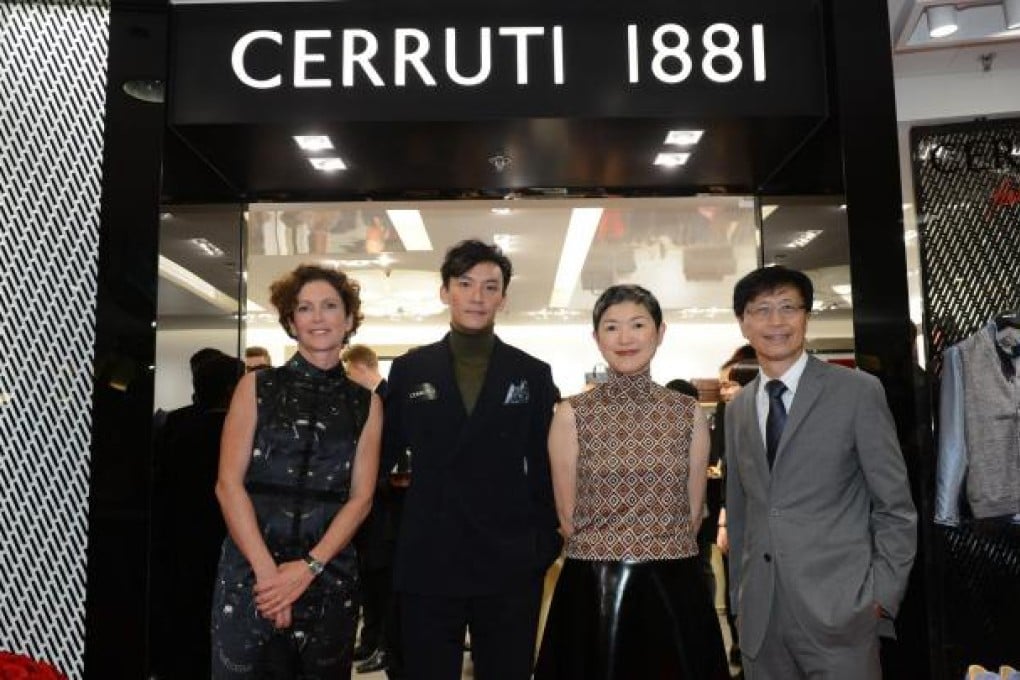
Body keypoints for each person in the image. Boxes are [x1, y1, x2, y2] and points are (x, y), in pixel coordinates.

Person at [725, 266, 917, 679]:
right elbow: (741, 515)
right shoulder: (737, 408)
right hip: (762, 619)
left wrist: (881, 596)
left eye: (788, 307)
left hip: (842, 614)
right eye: (761, 310)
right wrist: (739, 600)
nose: (776, 322)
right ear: (743, 323)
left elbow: (895, 507)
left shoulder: (857, 391)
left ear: (806, 317)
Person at [381, 239, 561, 680]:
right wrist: (391, 539)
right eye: (465, 284)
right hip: (429, 553)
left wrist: (543, 543)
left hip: (508, 557)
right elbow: (381, 458)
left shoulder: (532, 373)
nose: (477, 296)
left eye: (490, 286)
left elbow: (547, 467)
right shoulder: (410, 370)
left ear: (503, 297)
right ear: (445, 292)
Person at [535, 284, 729, 680]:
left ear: (660, 332)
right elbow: (567, 515)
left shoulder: (687, 413)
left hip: (673, 584)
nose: (625, 338)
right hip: (595, 586)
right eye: (611, 327)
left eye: (638, 325)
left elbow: (693, 512)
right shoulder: (572, 414)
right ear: (596, 338)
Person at [211, 264, 382, 678]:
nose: (318, 317)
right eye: (305, 308)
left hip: (328, 576)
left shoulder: (367, 404)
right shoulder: (255, 387)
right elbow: (228, 485)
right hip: (251, 576)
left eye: (330, 306)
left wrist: (308, 569)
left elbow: (361, 498)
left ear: (349, 319)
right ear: (291, 321)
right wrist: (270, 578)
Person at [150, 351, 244, 679]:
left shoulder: (174, 423)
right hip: (222, 539)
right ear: (232, 389)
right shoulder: (238, 431)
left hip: (176, 539)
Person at [341, 343, 400, 676]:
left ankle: (383, 646)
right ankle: (370, 640)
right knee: (371, 580)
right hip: (370, 509)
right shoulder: (365, 402)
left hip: (386, 507)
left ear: (360, 367)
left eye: (348, 372)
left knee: (383, 581)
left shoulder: (390, 401)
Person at [712, 345, 757, 668]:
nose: (725, 391)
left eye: (730, 384)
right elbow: (727, 467)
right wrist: (724, 518)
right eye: (722, 385)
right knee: (736, 586)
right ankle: (741, 649)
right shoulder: (727, 414)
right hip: (735, 514)